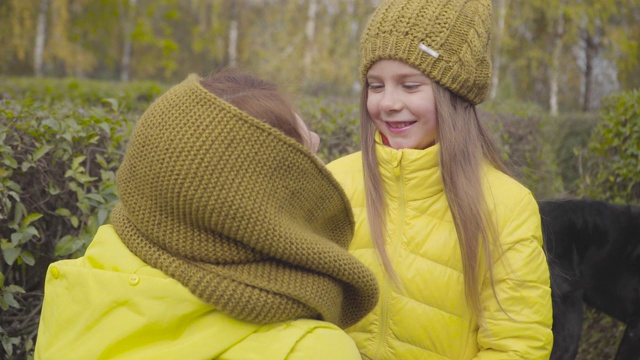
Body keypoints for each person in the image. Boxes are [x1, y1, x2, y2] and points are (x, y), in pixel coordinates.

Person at [34, 69, 379, 360]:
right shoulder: (308, 349)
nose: (318, 142)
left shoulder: (76, 284)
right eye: (306, 154)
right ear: (263, 204)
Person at [326, 0, 554, 359]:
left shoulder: (505, 205)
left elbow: (517, 345)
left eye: (410, 85)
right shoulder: (335, 182)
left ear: (454, 94)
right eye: (375, 85)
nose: (387, 103)